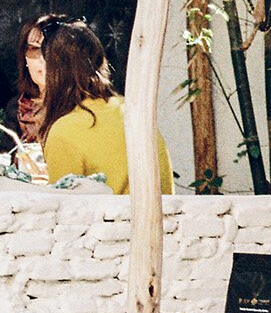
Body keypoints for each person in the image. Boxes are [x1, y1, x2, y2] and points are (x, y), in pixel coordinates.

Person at [40, 19, 173, 195]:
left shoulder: (64, 131)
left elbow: (63, 206)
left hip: (111, 214)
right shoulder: (133, 110)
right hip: (165, 211)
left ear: (53, 73)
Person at [3, 15, 64, 145]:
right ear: (24, 57)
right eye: (34, 49)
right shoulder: (16, 109)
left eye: (49, 50)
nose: (42, 59)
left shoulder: (81, 106)